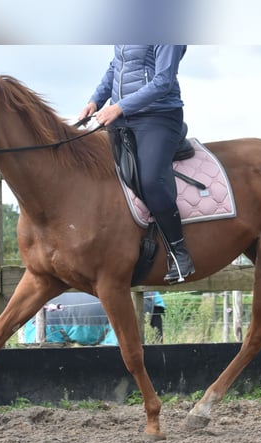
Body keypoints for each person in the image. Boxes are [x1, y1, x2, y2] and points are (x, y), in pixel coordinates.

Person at [79, 45, 195, 284]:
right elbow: (116, 66)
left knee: (150, 180)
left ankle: (179, 253)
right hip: (122, 117)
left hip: (159, 116)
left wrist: (119, 106)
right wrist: (95, 100)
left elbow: (163, 81)